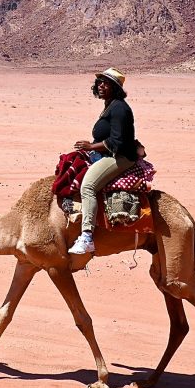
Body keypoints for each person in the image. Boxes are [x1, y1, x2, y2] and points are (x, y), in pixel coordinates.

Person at [68, 68, 140, 255]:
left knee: (88, 186)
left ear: (115, 88)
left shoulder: (119, 108)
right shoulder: (111, 105)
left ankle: (87, 236)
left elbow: (118, 142)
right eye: (100, 82)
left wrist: (91, 147)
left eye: (106, 83)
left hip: (120, 157)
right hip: (108, 154)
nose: (101, 85)